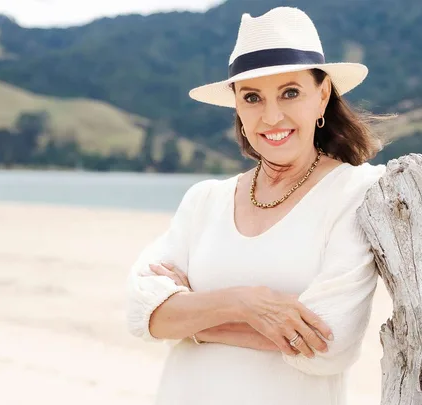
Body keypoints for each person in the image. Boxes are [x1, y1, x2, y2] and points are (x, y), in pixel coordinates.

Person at [126, 6, 387, 405]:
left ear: (322, 97)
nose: (271, 116)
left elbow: (328, 343)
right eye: (252, 97)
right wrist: (244, 304)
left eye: (290, 92)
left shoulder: (356, 191)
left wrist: (193, 318)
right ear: (237, 107)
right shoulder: (205, 200)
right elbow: (141, 311)